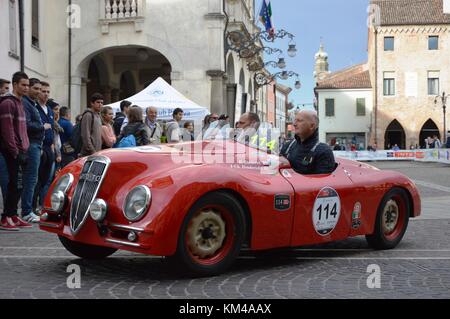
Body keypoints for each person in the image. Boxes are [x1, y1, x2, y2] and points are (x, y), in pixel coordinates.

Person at [0, 71, 31, 231]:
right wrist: (15, 151)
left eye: (27, 85)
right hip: (13, 151)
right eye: (23, 85)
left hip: (22, 150)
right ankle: (5, 218)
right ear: (15, 84)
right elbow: (7, 131)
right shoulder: (7, 103)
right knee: (15, 184)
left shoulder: (20, 102)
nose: (26, 88)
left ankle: (13, 215)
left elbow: (22, 128)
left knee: (19, 185)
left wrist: (24, 147)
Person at [280, 110, 336, 175]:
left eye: (299, 121)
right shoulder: (288, 146)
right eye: (295, 120)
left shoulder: (324, 151)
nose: (294, 124)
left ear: (312, 126)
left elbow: (322, 183)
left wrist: (289, 166)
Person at [21, 78, 45, 223]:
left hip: (36, 145)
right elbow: (27, 125)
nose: (38, 92)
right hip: (31, 144)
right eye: (35, 88)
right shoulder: (26, 104)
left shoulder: (31, 104)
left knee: (32, 179)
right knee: (30, 179)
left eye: (39, 89)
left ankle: (27, 210)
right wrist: (43, 126)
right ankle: (26, 211)